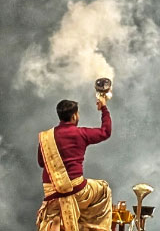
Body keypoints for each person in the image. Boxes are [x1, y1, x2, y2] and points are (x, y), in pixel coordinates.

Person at [36, 96, 112, 231]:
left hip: (51, 194)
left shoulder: (46, 137)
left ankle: (65, 222)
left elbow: (42, 163)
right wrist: (104, 108)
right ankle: (87, 227)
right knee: (104, 190)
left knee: (63, 201)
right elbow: (105, 132)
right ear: (74, 116)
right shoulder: (81, 133)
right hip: (77, 190)